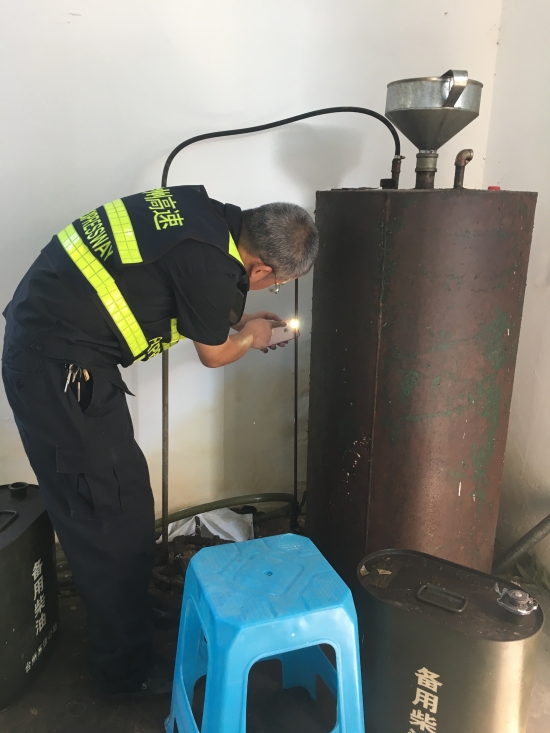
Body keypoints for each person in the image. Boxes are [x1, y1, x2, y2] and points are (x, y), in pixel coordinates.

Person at [1, 184, 319, 695]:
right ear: (262, 270)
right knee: (106, 515)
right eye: (277, 285)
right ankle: (123, 671)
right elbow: (214, 354)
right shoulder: (211, 263)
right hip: (57, 368)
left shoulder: (205, 217)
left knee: (125, 501)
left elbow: (180, 283)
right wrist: (249, 337)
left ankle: (129, 613)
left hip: (59, 351)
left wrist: (238, 320)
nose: (269, 291)